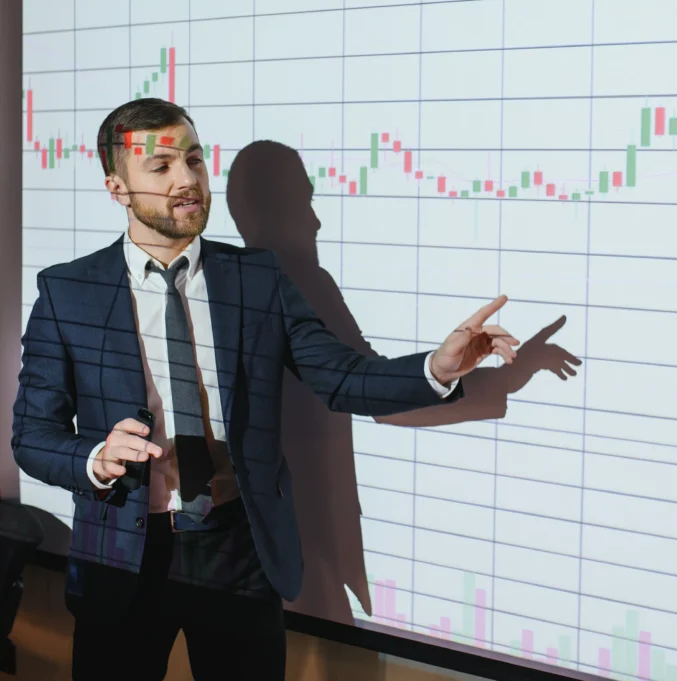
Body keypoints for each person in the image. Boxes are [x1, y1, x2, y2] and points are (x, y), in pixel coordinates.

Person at [10, 97, 519, 680]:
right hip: (123, 555)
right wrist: (96, 458)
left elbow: (341, 377)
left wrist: (438, 366)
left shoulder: (257, 276)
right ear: (117, 189)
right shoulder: (68, 291)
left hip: (238, 550)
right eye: (161, 167)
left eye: (195, 161)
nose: (187, 180)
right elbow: (33, 436)